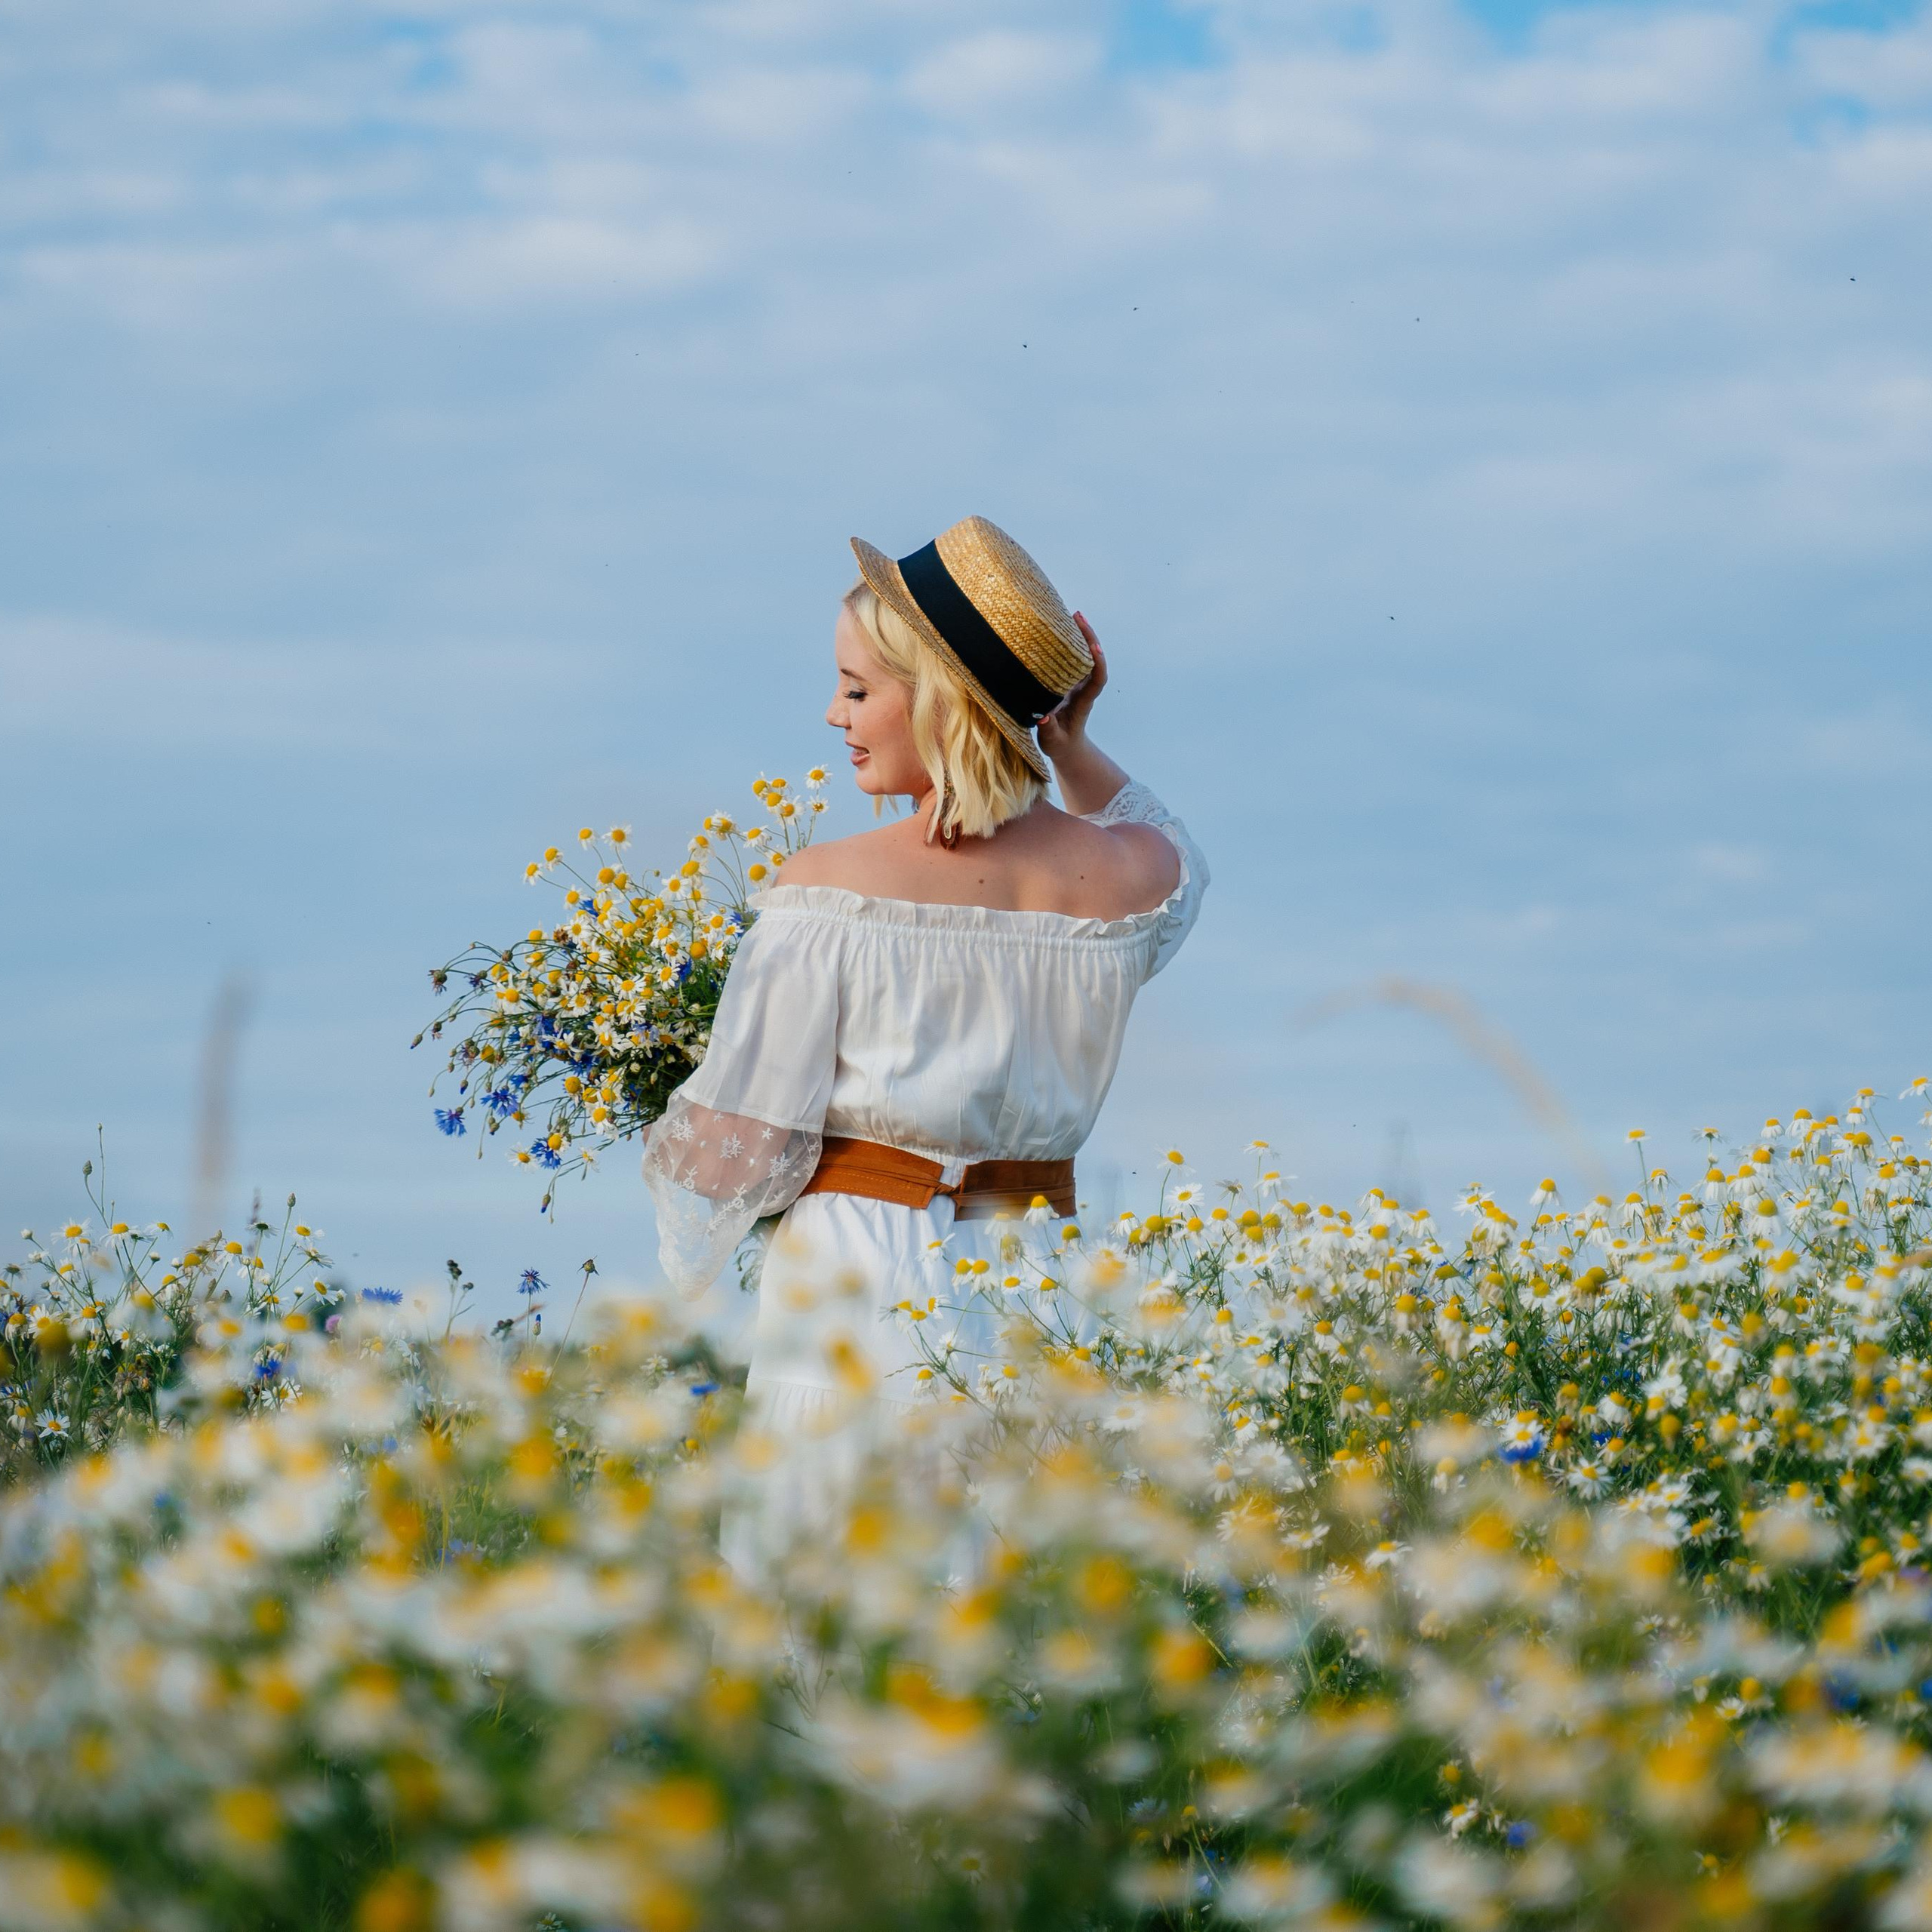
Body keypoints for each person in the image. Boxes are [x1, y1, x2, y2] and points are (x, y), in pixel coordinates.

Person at [641, 515, 1208, 1564]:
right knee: (1008, 1593)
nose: (833, 714)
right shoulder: (1133, 883)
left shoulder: (827, 896)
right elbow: (1176, 846)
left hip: (857, 1283)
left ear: (938, 701)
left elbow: (729, 1163)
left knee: (835, 1587)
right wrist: (1071, 745)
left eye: (858, 689)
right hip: (1031, 1273)